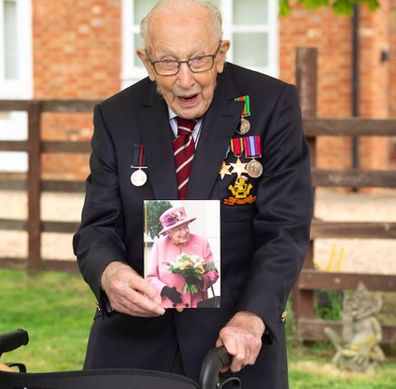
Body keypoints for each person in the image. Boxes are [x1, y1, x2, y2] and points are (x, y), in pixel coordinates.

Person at [73, 0, 313, 387]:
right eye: (167, 63)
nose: (185, 80)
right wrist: (109, 273)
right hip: (133, 344)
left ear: (221, 54)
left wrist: (253, 316)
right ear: (147, 62)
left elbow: (284, 230)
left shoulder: (271, 106)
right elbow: (97, 228)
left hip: (232, 344)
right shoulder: (115, 116)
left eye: (199, 60)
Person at [146, 205, 219, 309]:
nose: (184, 232)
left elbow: (213, 272)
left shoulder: (201, 242)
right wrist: (165, 290)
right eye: (178, 229)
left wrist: (199, 280)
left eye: (186, 226)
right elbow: (151, 277)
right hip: (167, 305)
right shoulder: (159, 245)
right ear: (169, 232)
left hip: (196, 305)